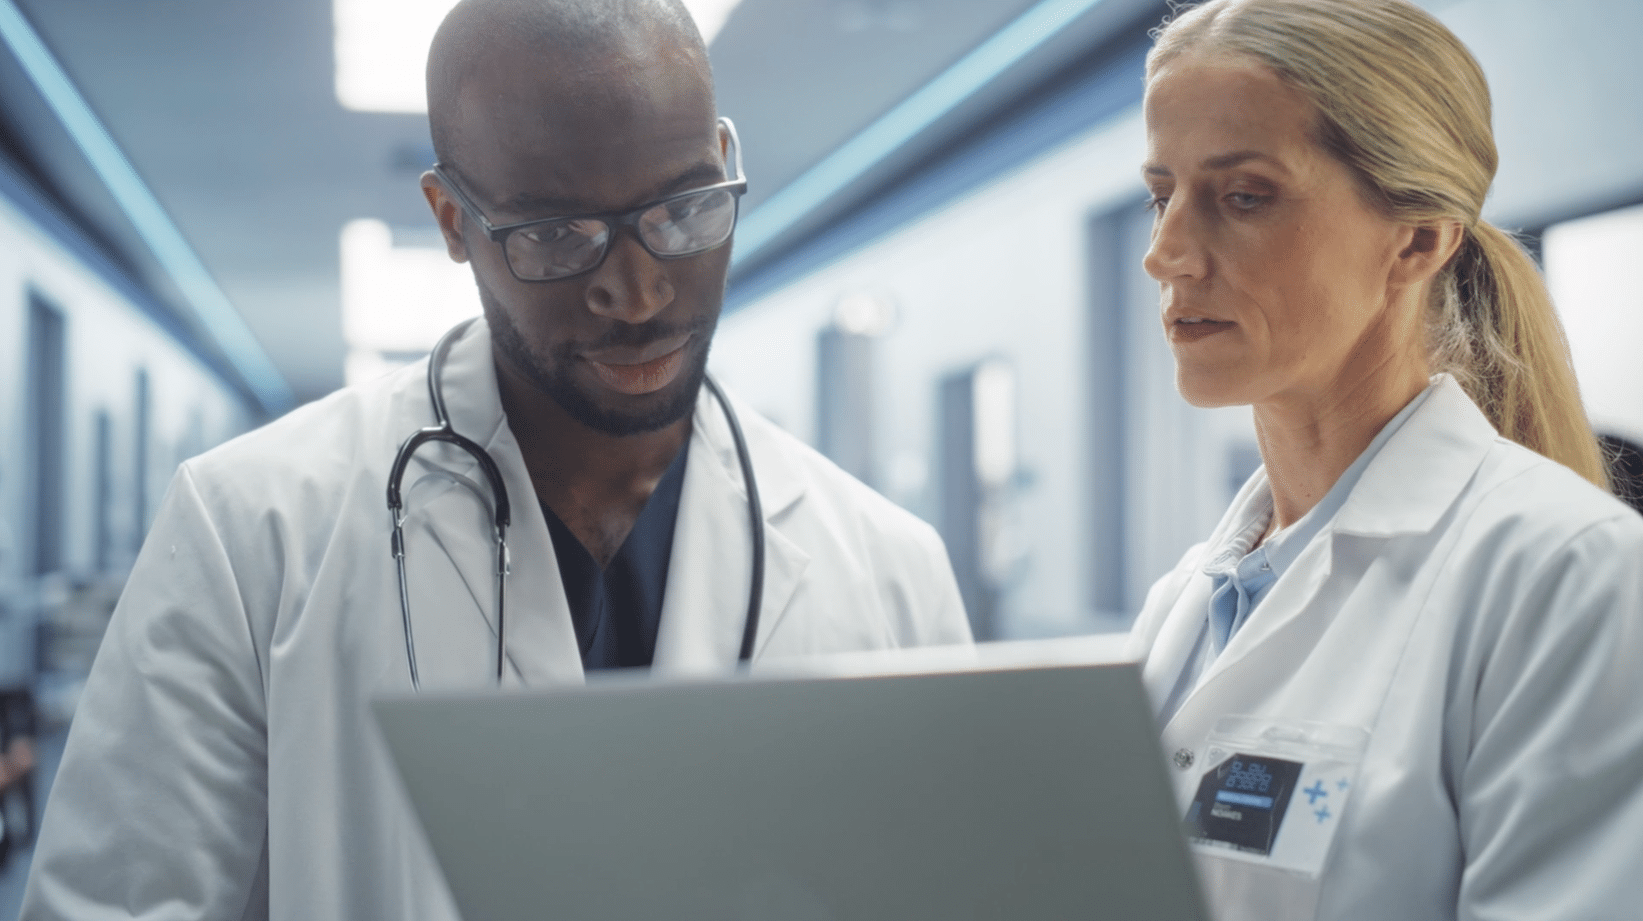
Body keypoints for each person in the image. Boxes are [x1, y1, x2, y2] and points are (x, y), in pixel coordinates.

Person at [19, 1, 970, 917]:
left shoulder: (891, 567)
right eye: (556, 235)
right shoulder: (249, 533)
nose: (636, 293)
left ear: (724, 162)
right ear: (449, 220)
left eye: (684, 210)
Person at [1124, 1, 1643, 918]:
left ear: (1416, 238)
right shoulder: (1187, 603)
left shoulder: (1567, 575)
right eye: (1161, 194)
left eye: (1242, 196)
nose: (1165, 254)